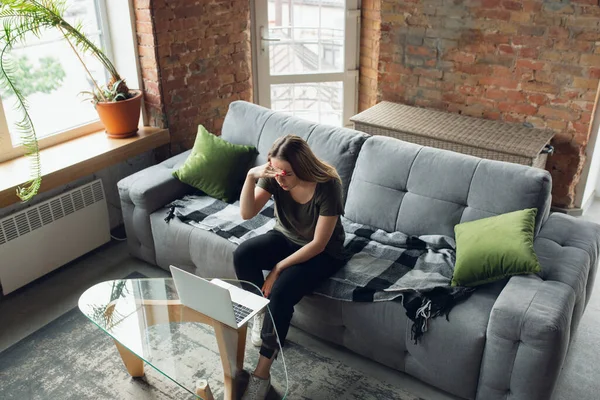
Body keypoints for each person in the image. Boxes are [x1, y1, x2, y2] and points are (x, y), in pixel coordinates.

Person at [233, 134, 349, 400]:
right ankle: (260, 315)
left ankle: (261, 375)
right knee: (243, 254)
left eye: (285, 173)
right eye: (275, 172)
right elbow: (246, 213)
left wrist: (278, 269)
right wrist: (252, 176)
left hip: (324, 252)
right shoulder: (276, 176)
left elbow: (319, 243)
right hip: (286, 237)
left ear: (303, 168)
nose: (280, 179)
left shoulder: (328, 184)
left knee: (281, 293)